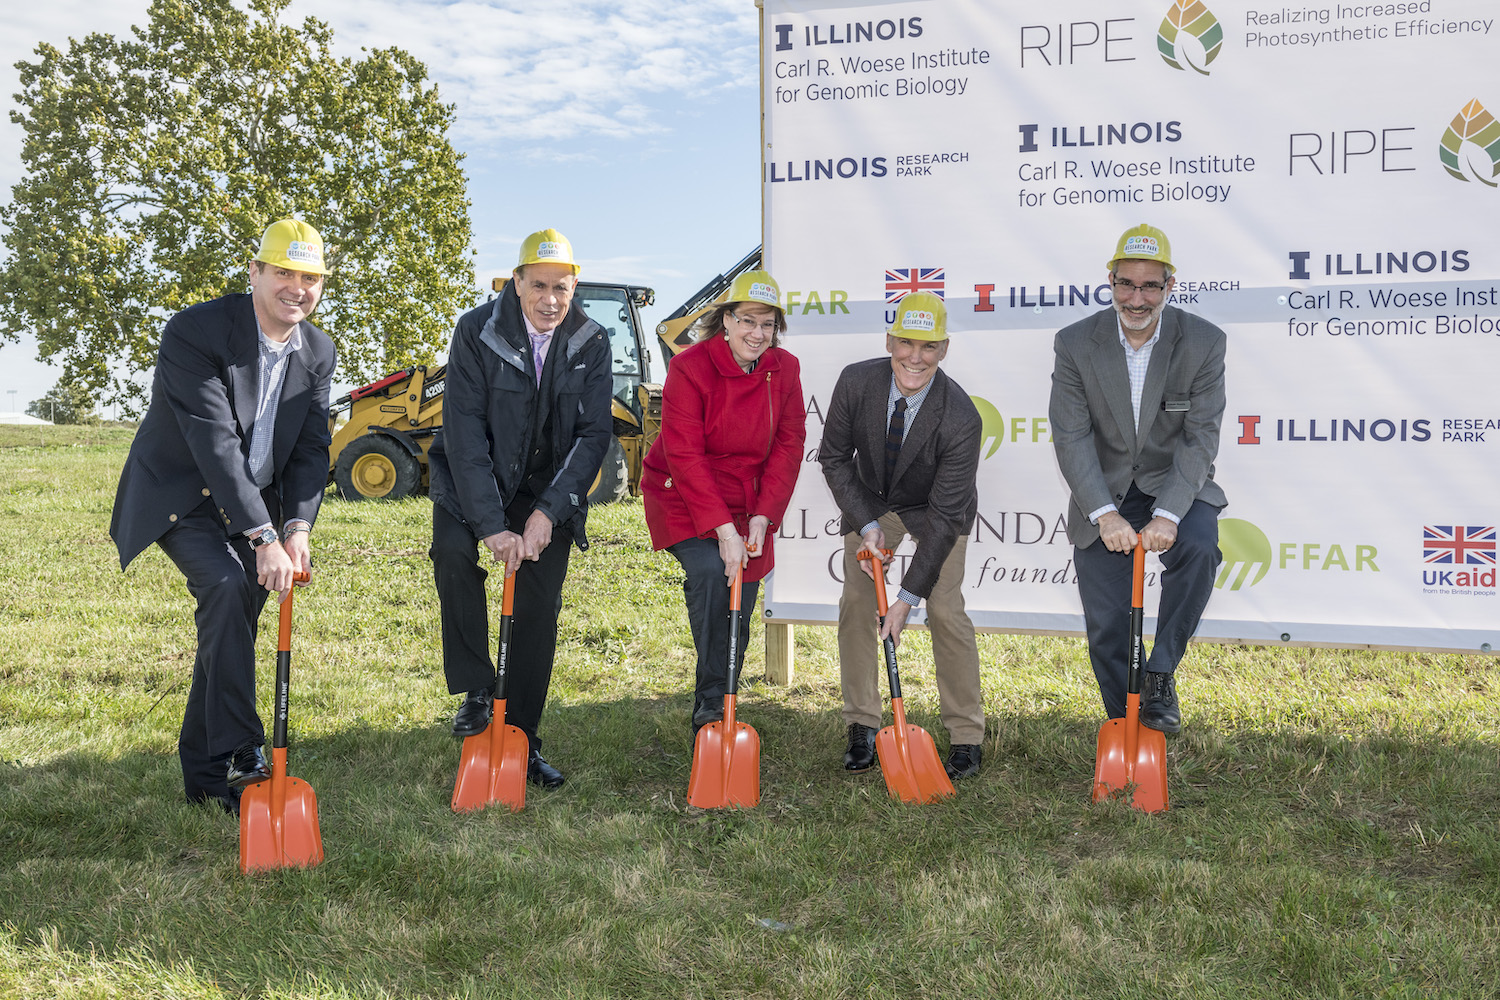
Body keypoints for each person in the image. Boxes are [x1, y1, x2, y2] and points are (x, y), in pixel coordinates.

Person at [110, 219, 338, 814]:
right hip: (183, 496)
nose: (298, 287)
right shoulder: (197, 331)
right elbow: (213, 442)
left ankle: (206, 781)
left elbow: (312, 448)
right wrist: (260, 536)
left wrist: (296, 529)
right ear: (256, 273)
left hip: (258, 503)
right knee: (224, 584)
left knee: (229, 627)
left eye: (310, 276)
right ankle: (241, 749)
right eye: (284, 272)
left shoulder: (316, 350)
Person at [427, 228, 612, 789]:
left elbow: (591, 436)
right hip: (471, 482)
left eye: (562, 287)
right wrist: (489, 527)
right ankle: (478, 686)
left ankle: (524, 742)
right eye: (539, 286)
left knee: (537, 610)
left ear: (574, 286)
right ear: (517, 282)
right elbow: (465, 436)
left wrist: (546, 515)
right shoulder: (476, 331)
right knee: (453, 557)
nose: (551, 300)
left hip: (544, 493)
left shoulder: (592, 340)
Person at [1048, 223, 1227, 734]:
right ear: (1110, 281)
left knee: (1198, 548)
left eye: (1151, 285)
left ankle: (1160, 674)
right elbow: (1071, 436)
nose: (1137, 297)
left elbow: (1199, 439)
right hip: (1104, 491)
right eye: (1127, 283)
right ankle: (1123, 722)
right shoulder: (1076, 343)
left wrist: (1169, 514)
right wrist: (1103, 513)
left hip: (1174, 486)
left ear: (1170, 286)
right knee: (1107, 624)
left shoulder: (1204, 343)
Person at [818, 292, 986, 780]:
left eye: (929, 347)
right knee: (855, 600)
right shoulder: (855, 381)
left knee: (946, 609)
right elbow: (833, 459)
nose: (916, 356)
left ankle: (966, 735)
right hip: (872, 502)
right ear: (890, 340)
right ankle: (862, 723)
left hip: (936, 511)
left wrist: (907, 597)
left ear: (945, 348)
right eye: (906, 343)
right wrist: (868, 525)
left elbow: (947, 513)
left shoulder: (960, 418)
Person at [640, 271, 807, 736]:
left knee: (742, 598)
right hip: (684, 493)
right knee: (713, 575)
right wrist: (724, 531)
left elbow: (790, 445)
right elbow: (685, 453)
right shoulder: (690, 367)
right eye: (747, 321)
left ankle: (722, 689)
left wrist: (762, 516)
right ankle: (711, 707)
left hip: (749, 502)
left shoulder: (785, 369)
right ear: (725, 321)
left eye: (768, 324)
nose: (757, 333)